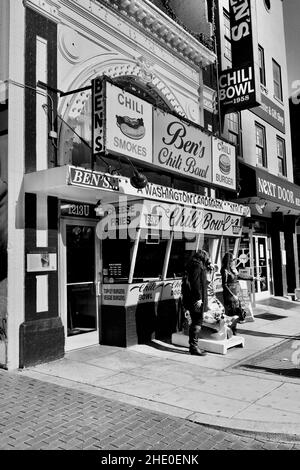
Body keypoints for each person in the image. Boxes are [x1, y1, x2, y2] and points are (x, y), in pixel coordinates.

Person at [221, 252, 260, 335]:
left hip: (236, 292)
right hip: (230, 295)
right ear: (229, 260)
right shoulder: (225, 270)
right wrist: (232, 295)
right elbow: (224, 285)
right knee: (231, 314)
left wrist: (253, 278)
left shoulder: (233, 269)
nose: (235, 261)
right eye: (234, 259)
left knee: (236, 313)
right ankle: (231, 332)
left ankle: (233, 331)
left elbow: (241, 276)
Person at [185, 249, 211, 356]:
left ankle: (194, 346)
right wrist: (198, 298)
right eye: (207, 257)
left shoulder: (199, 266)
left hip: (197, 299)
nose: (208, 259)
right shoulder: (196, 266)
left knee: (197, 321)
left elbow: (203, 282)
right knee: (197, 321)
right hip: (196, 300)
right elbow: (195, 284)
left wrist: (209, 270)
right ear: (203, 257)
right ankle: (193, 347)